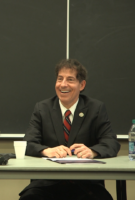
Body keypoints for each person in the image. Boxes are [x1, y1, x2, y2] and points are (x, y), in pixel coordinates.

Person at [19, 59, 120, 200]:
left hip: (85, 184)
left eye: (70, 80)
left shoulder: (95, 108)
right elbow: (28, 143)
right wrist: (46, 150)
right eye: (60, 79)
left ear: (82, 85)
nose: (63, 84)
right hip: (47, 184)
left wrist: (92, 151)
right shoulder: (42, 108)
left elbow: (111, 142)